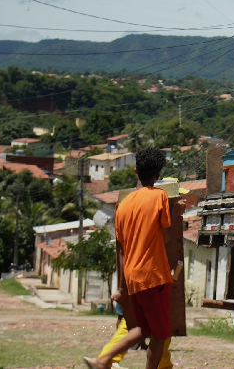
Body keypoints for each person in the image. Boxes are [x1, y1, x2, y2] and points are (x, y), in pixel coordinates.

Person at [84, 148, 174, 369]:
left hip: (133, 278)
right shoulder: (159, 196)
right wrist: (177, 212)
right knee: (160, 335)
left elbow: (122, 250)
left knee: (143, 329)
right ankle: (103, 360)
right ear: (158, 175)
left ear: (136, 171)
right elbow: (167, 236)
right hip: (153, 276)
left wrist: (123, 288)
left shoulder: (122, 207)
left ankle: (103, 360)